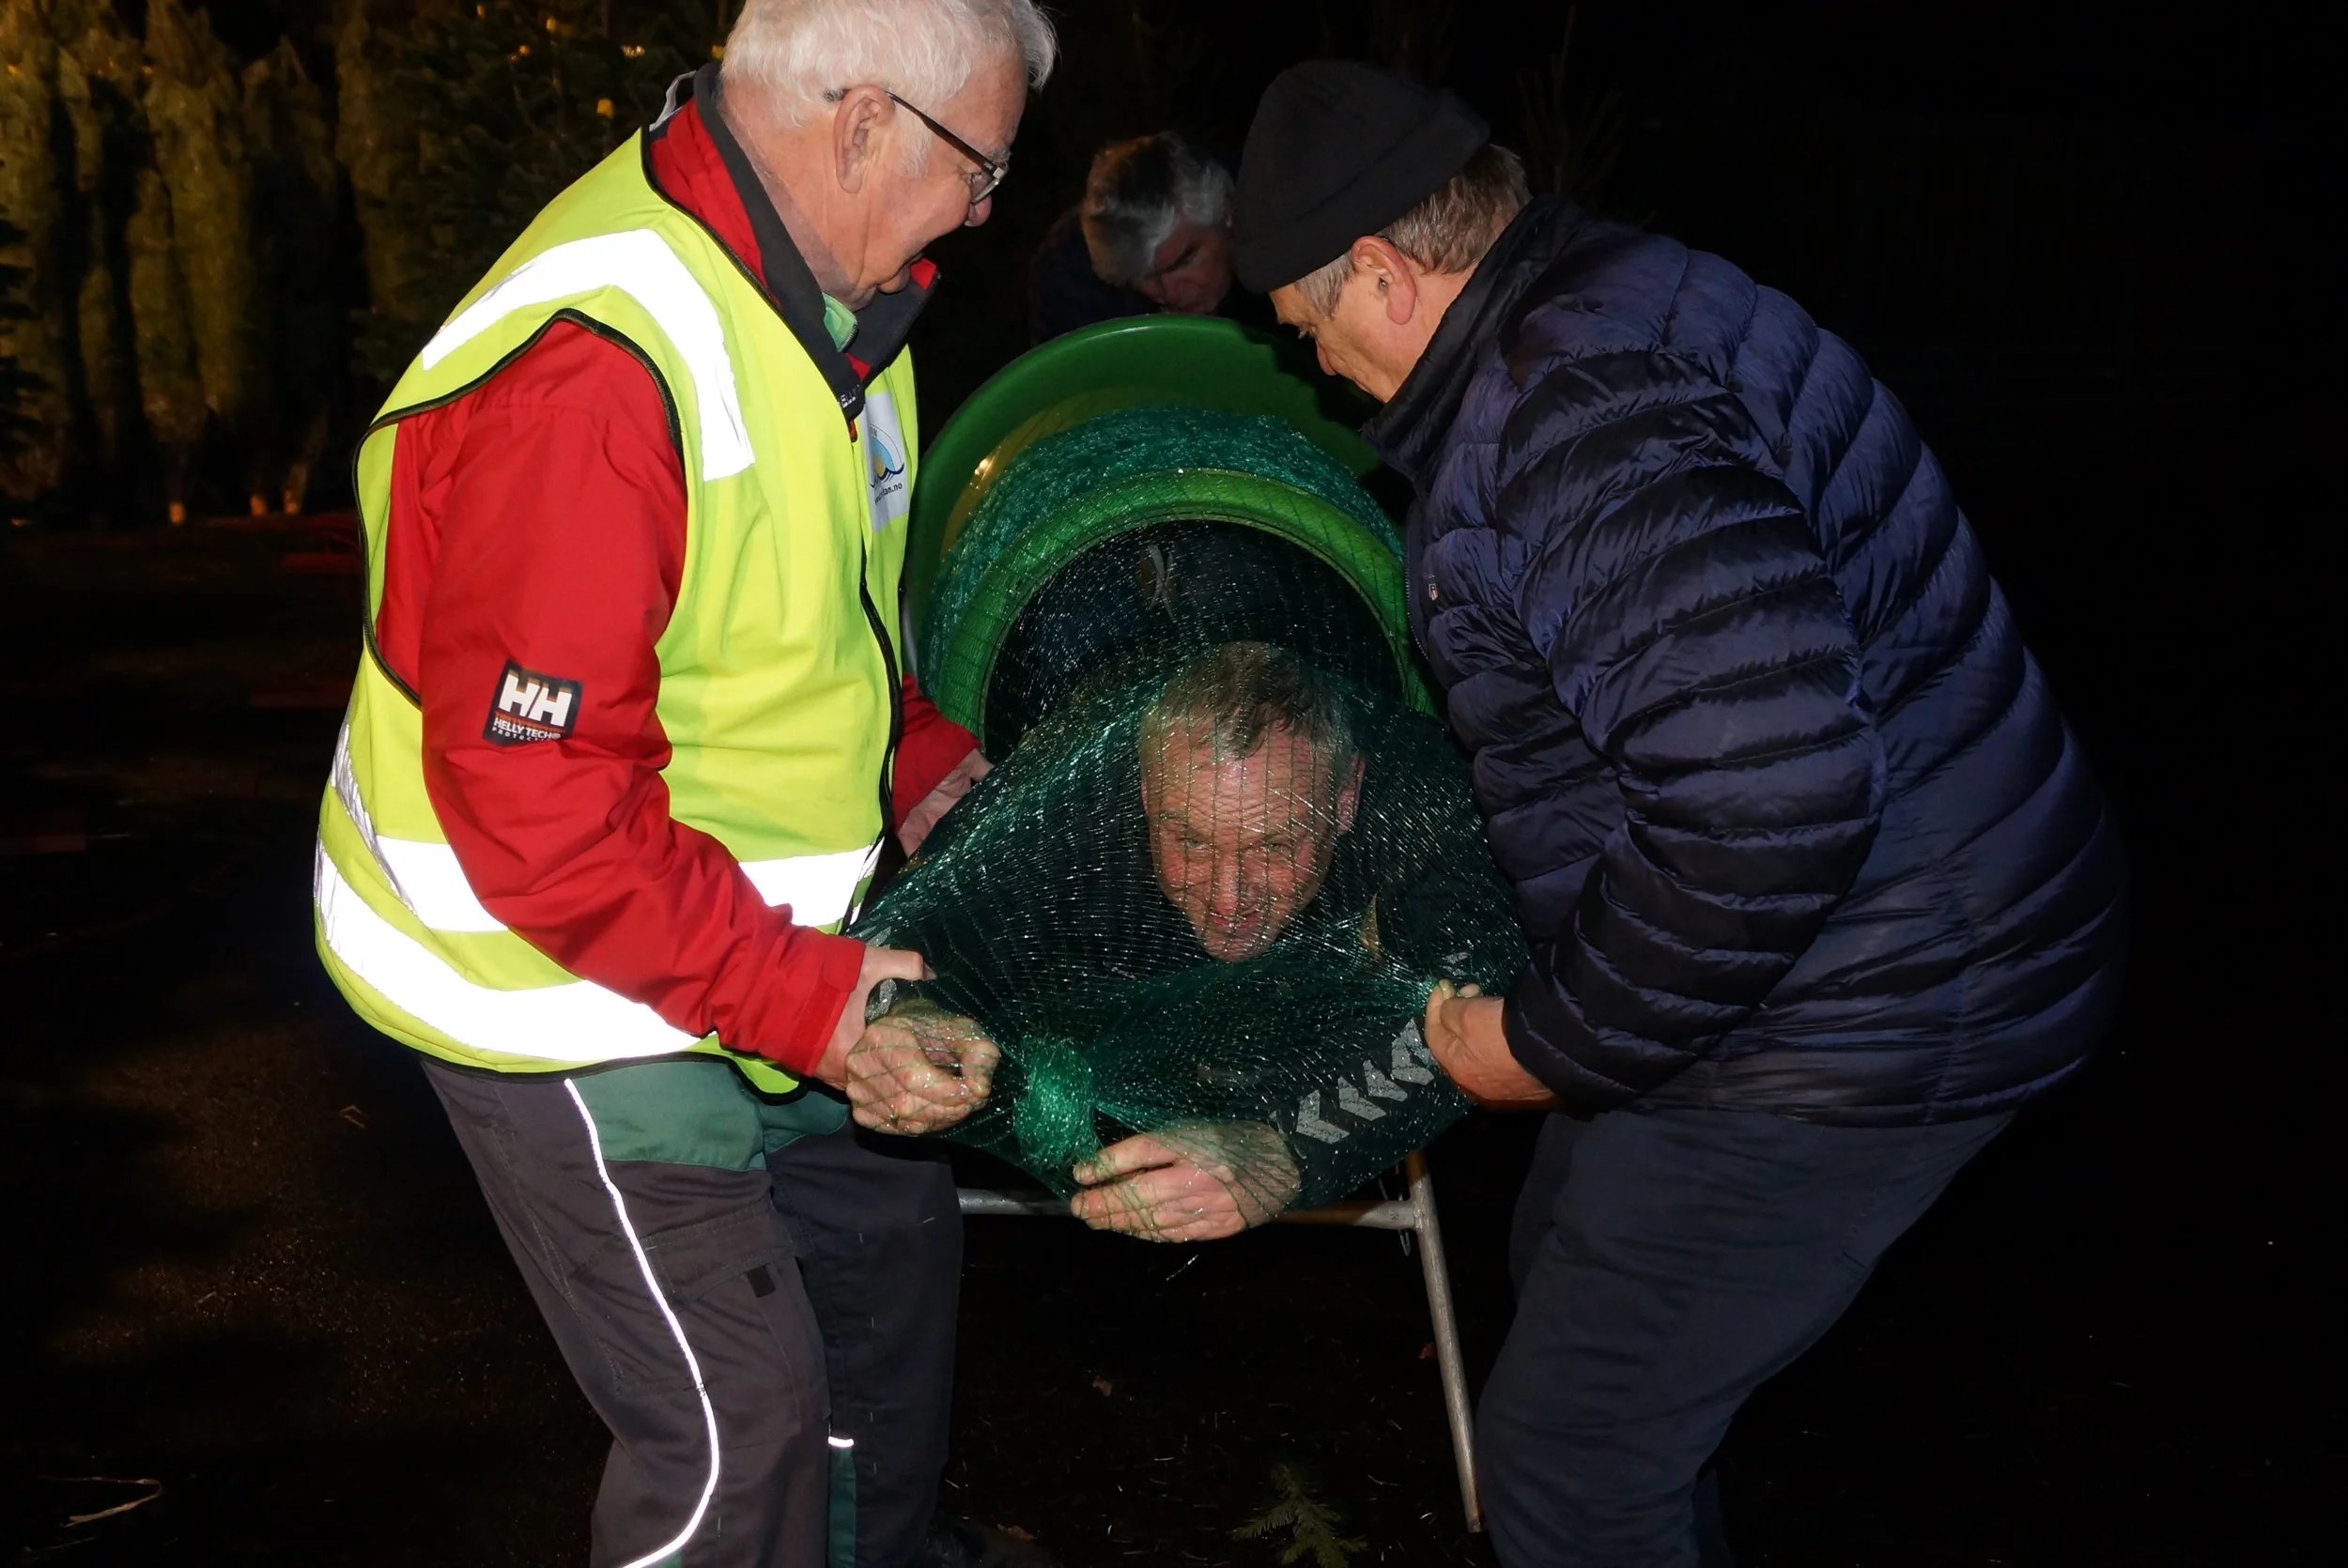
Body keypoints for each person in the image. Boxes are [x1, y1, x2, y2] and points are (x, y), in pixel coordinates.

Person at [1227, 61, 2128, 1567]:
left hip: (1875, 995)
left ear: (1381, 271)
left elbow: (1768, 807)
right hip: (1860, 938)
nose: (1319, 366)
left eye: (1311, 330)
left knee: (1573, 1453)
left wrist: (1537, 1047)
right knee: (1563, 1271)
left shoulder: (1572, 413)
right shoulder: (1620, 292)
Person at [308, 3, 1059, 1565]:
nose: (990, 211)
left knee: (881, 1271)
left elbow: (783, 624)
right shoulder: (597, 382)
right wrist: (813, 1006)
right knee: (738, 1430)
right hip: (547, 980)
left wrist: (920, 762)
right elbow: (540, 805)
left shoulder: (836, 303)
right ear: (864, 125)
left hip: (722, 935)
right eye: (983, 166)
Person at [851, 640, 1514, 1240]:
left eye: (1275, 846)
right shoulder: (1075, 780)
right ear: (1142, 791)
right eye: (1191, 842)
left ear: (1345, 799)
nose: (1230, 900)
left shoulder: (1428, 806)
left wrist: (1285, 1150)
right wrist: (907, 1013)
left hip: (1321, 1033)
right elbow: (916, 916)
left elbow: (1475, 1012)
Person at [1025, 131, 1241, 343]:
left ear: (1228, 212)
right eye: (1143, 276)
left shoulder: (1269, 207)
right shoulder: (1069, 276)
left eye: (1183, 261)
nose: (1170, 295)